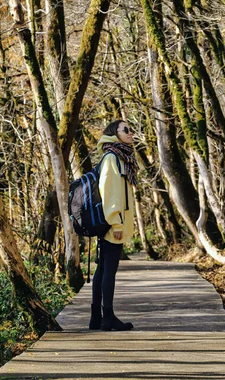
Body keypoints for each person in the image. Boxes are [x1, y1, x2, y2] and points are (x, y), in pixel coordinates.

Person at [89, 119, 137, 331]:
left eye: (131, 130)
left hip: (113, 222)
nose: (130, 133)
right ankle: (107, 317)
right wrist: (116, 223)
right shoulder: (112, 158)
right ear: (114, 133)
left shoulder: (120, 157)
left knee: (103, 270)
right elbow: (109, 193)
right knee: (109, 270)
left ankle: (96, 317)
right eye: (125, 130)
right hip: (112, 224)